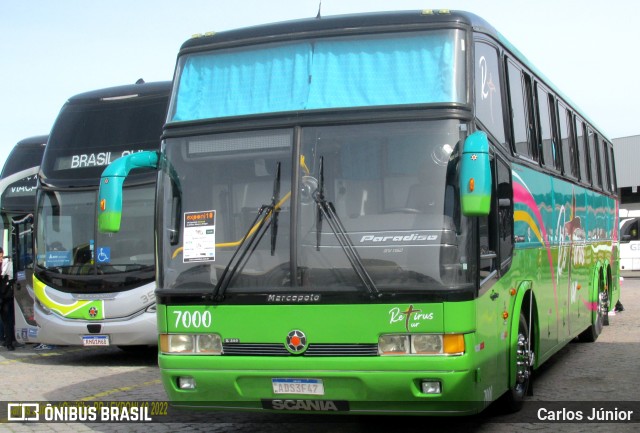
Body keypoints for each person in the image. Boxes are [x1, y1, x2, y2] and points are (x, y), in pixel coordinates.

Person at [0, 247, 17, 350]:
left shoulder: (7, 265)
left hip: (5, 297)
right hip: (3, 296)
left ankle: (9, 342)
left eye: (1, 257)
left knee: (7, 320)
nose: (1, 259)